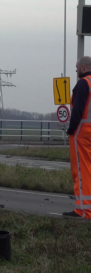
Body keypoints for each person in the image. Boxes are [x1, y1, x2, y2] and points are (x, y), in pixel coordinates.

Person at [64, 56, 91, 219]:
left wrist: (71, 129)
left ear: (82, 67)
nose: (75, 70)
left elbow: (78, 110)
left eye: (76, 67)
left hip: (82, 132)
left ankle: (83, 210)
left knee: (81, 170)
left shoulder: (83, 83)